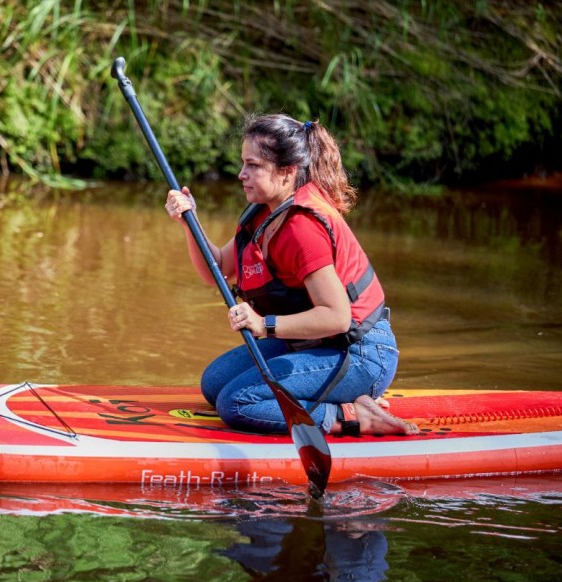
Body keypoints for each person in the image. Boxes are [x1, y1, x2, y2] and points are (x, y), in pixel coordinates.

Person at [164, 114, 418, 437]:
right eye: (243, 163)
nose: (241, 174)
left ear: (287, 172)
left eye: (253, 165)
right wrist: (190, 223)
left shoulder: (302, 229)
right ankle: (336, 396)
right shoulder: (263, 213)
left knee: (237, 403)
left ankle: (351, 414)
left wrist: (264, 325)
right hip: (314, 344)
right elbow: (218, 267)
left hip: (362, 353)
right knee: (214, 384)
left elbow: (338, 317)